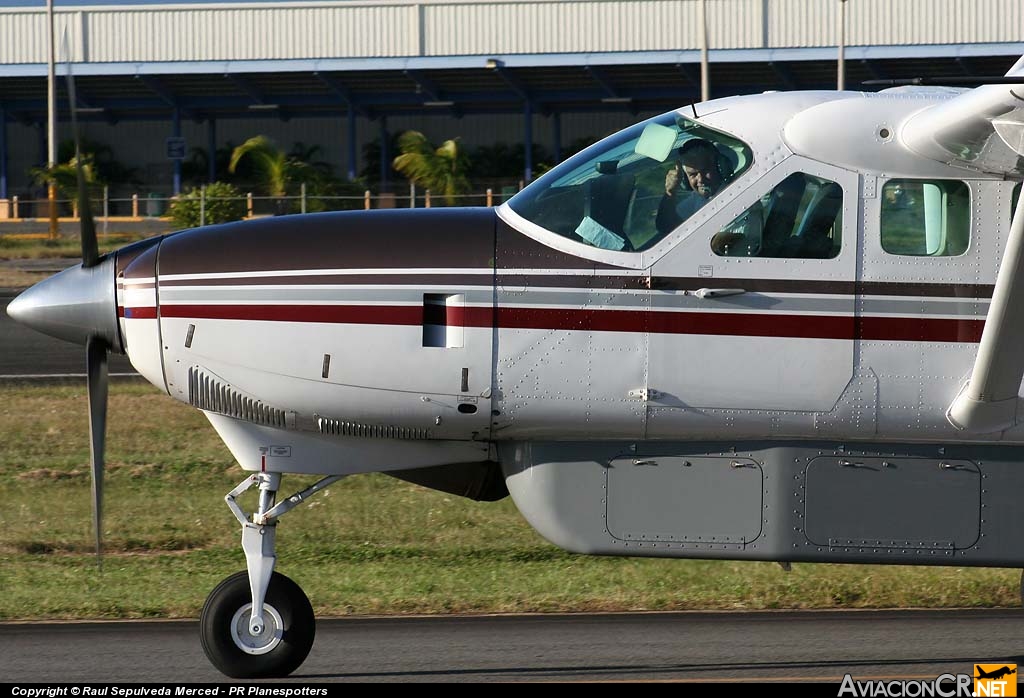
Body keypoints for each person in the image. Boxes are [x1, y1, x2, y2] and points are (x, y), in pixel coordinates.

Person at [655, 138, 728, 235]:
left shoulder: (732, 191)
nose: (700, 179)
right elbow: (666, 227)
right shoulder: (697, 199)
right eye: (693, 174)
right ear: (685, 178)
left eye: (705, 171)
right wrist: (670, 192)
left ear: (720, 167)